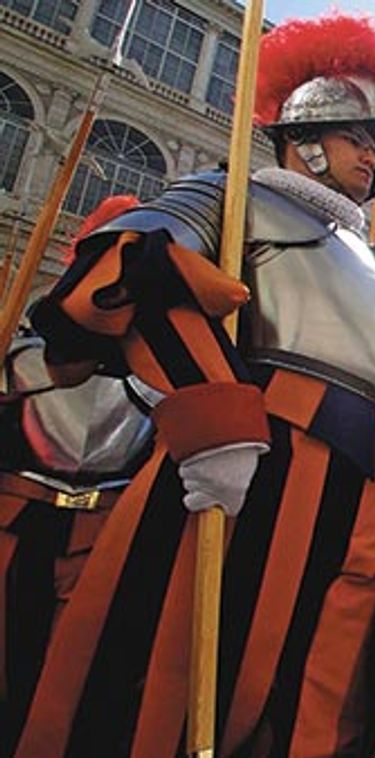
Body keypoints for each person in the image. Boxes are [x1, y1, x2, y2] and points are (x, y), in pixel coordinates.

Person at [16, 12, 375, 755]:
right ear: (306, 136)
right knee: (226, 685)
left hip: (372, 480)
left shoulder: (374, 263)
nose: (373, 161)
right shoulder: (231, 196)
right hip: (270, 460)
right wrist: (214, 415)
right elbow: (129, 264)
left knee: (342, 687)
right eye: (359, 139)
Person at [0, 197, 152, 755]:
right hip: (16, 529)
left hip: (108, 541)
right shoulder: (22, 348)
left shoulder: (154, 368)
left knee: (85, 692)